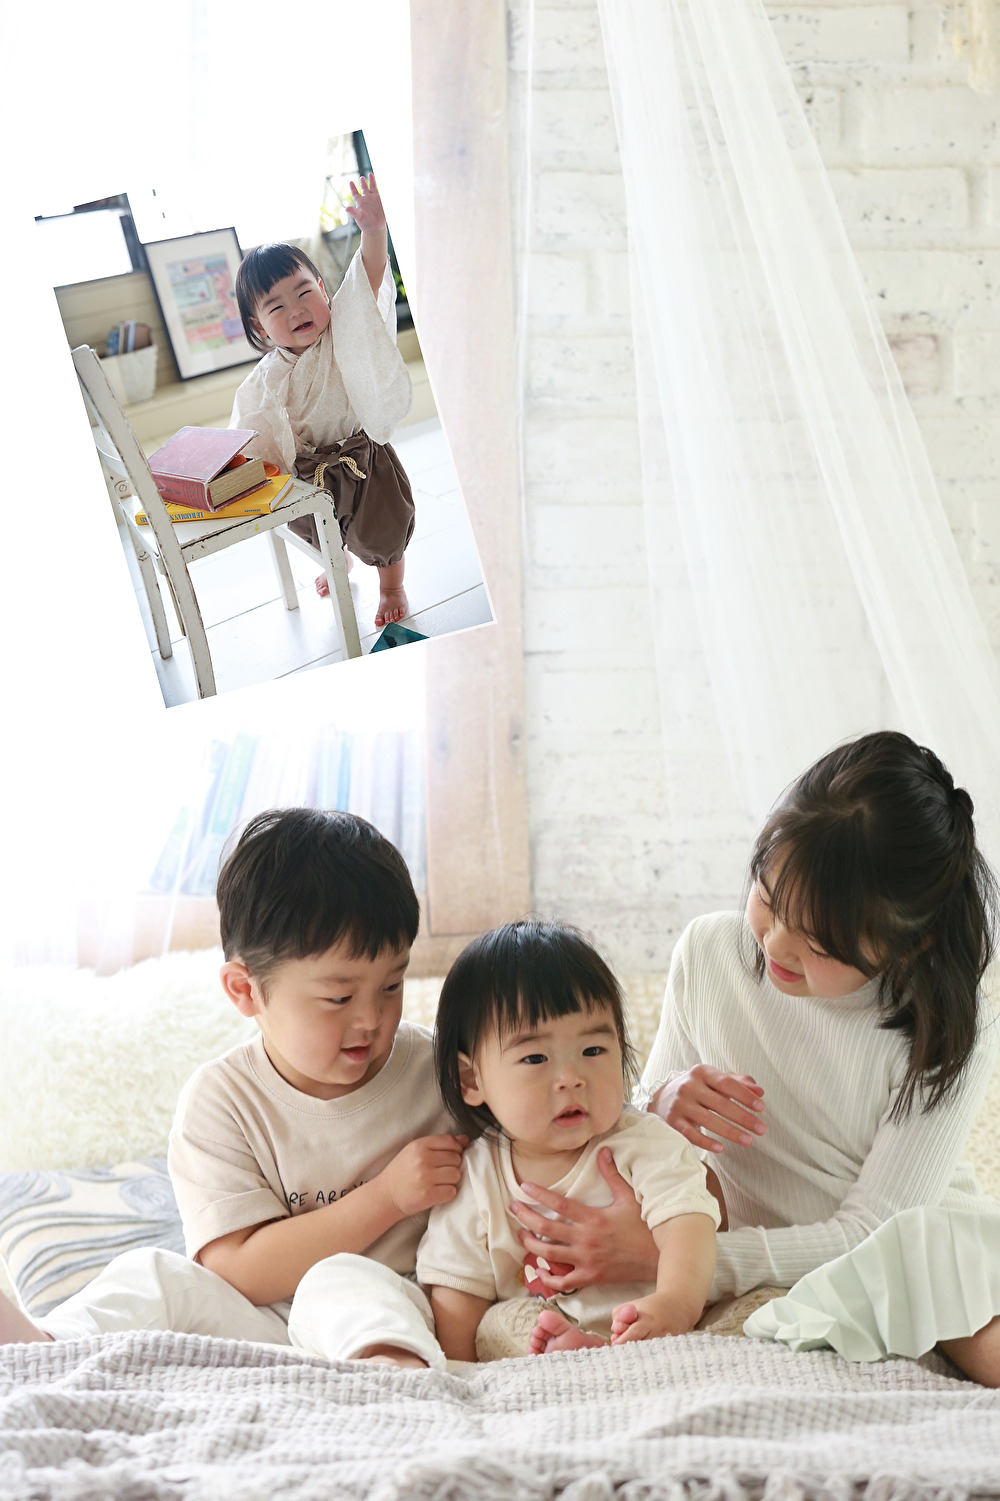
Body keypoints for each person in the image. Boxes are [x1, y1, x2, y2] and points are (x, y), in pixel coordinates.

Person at [505, 732, 1000, 1383]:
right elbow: (630, 1138)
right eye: (768, 898)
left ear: (909, 944)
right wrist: (658, 1103)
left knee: (971, 1327)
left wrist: (688, 1261)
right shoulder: (711, 952)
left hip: (906, 1249)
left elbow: (877, 1235)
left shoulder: (949, 1024)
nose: (778, 945)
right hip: (746, 1259)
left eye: (820, 942)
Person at [0, 809, 466, 1370]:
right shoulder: (221, 1102)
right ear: (245, 990)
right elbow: (237, 1271)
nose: (371, 1018)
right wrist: (387, 1197)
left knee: (343, 1279)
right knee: (155, 1274)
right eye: (339, 998)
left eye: (392, 985)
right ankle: (44, 1348)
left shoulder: (440, 1072)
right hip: (260, 1324)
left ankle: (390, 1373)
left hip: (390, 1310)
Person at [416, 919, 720, 1362]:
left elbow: (688, 1225)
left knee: (753, 1305)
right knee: (499, 1325)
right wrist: (457, 1374)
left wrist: (676, 1303)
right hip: (543, 1334)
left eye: (593, 1051)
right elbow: (456, 1291)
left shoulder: (645, 1142)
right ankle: (572, 1351)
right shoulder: (478, 1176)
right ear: (471, 1080)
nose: (571, 1078)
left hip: (652, 1325)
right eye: (535, 1057)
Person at [231, 174, 414, 629]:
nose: (295, 309)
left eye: (304, 292)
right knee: (310, 526)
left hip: (361, 458)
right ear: (259, 328)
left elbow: (366, 279)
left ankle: (392, 586)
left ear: (323, 289)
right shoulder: (265, 377)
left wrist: (374, 230)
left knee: (383, 527)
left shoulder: (344, 330)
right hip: (308, 470)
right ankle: (336, 559)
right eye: (276, 307)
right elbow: (252, 429)